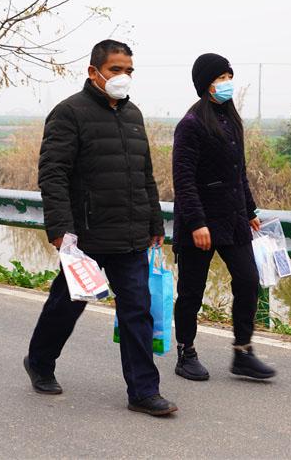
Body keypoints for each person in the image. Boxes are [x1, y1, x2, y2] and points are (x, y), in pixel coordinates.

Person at [24, 39, 178, 417]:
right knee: (67, 304)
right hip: (86, 236)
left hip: (130, 234)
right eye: (115, 69)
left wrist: (154, 222)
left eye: (128, 70)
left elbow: (144, 174)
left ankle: (143, 390)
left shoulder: (133, 115)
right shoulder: (69, 113)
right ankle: (40, 361)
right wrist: (61, 229)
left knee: (137, 310)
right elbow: (53, 174)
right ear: (94, 72)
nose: (123, 77)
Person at [171, 53, 277, 381]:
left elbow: (238, 173)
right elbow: (184, 179)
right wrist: (197, 223)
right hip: (199, 222)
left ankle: (243, 352)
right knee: (192, 290)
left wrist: (250, 211)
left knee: (247, 281)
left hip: (232, 219)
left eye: (229, 75)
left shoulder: (232, 120)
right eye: (220, 77)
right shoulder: (190, 124)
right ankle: (186, 351)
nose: (227, 82)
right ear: (206, 84)